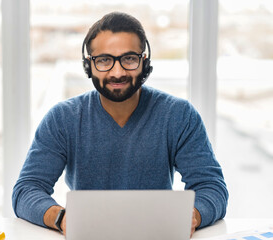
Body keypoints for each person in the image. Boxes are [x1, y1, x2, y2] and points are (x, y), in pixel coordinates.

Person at [12, 11, 228, 237]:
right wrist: (62, 218)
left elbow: (212, 187)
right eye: (104, 60)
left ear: (144, 62)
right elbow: (26, 190)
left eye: (129, 59)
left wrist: (192, 215)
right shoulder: (62, 119)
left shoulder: (179, 115)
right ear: (89, 66)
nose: (118, 72)